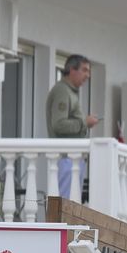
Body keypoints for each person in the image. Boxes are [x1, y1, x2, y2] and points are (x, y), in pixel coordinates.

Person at [47, 54, 99, 200]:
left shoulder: (70, 92)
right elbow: (58, 124)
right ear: (71, 70)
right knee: (65, 203)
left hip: (72, 158)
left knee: (71, 204)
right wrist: (84, 122)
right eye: (84, 70)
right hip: (66, 159)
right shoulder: (62, 91)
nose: (87, 75)